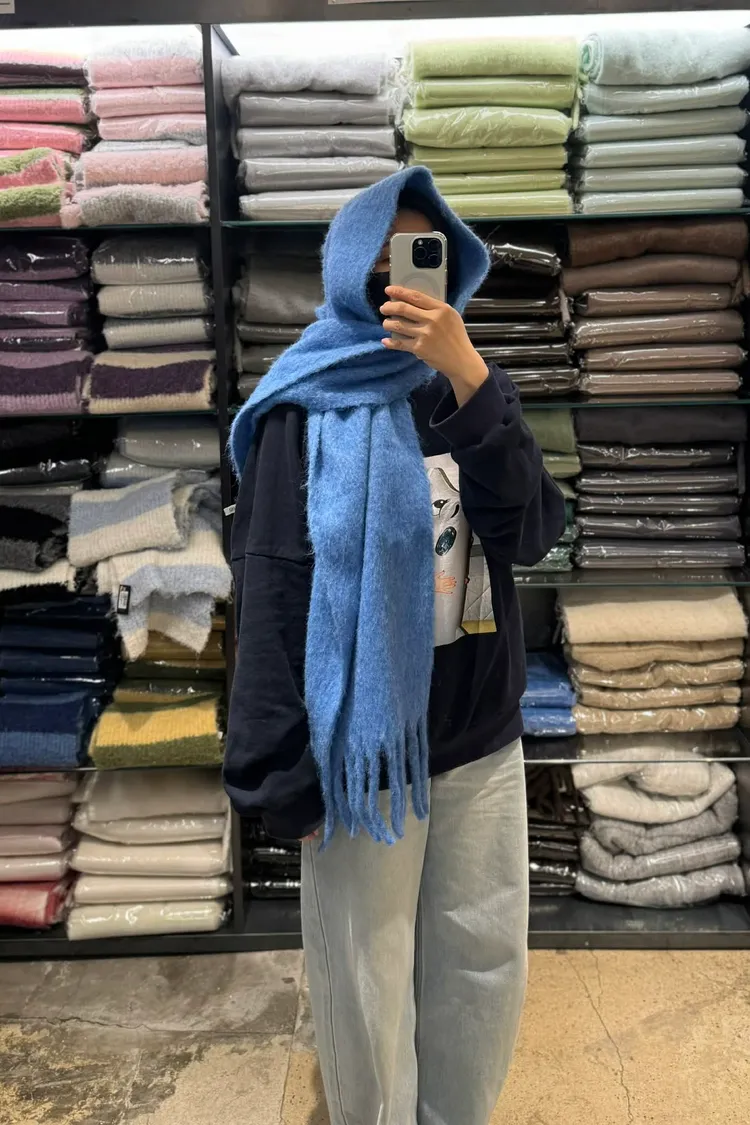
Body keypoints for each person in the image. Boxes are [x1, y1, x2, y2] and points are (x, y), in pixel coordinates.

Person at [225, 168, 565, 1125]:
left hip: (479, 736)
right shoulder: (302, 403)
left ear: (453, 266)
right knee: (367, 987)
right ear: (344, 269)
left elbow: (533, 531)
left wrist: (471, 378)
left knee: (483, 966)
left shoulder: (472, 390)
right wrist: (276, 770)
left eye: (421, 254)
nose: (398, 278)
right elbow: (271, 583)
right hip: (360, 755)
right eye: (378, 259)